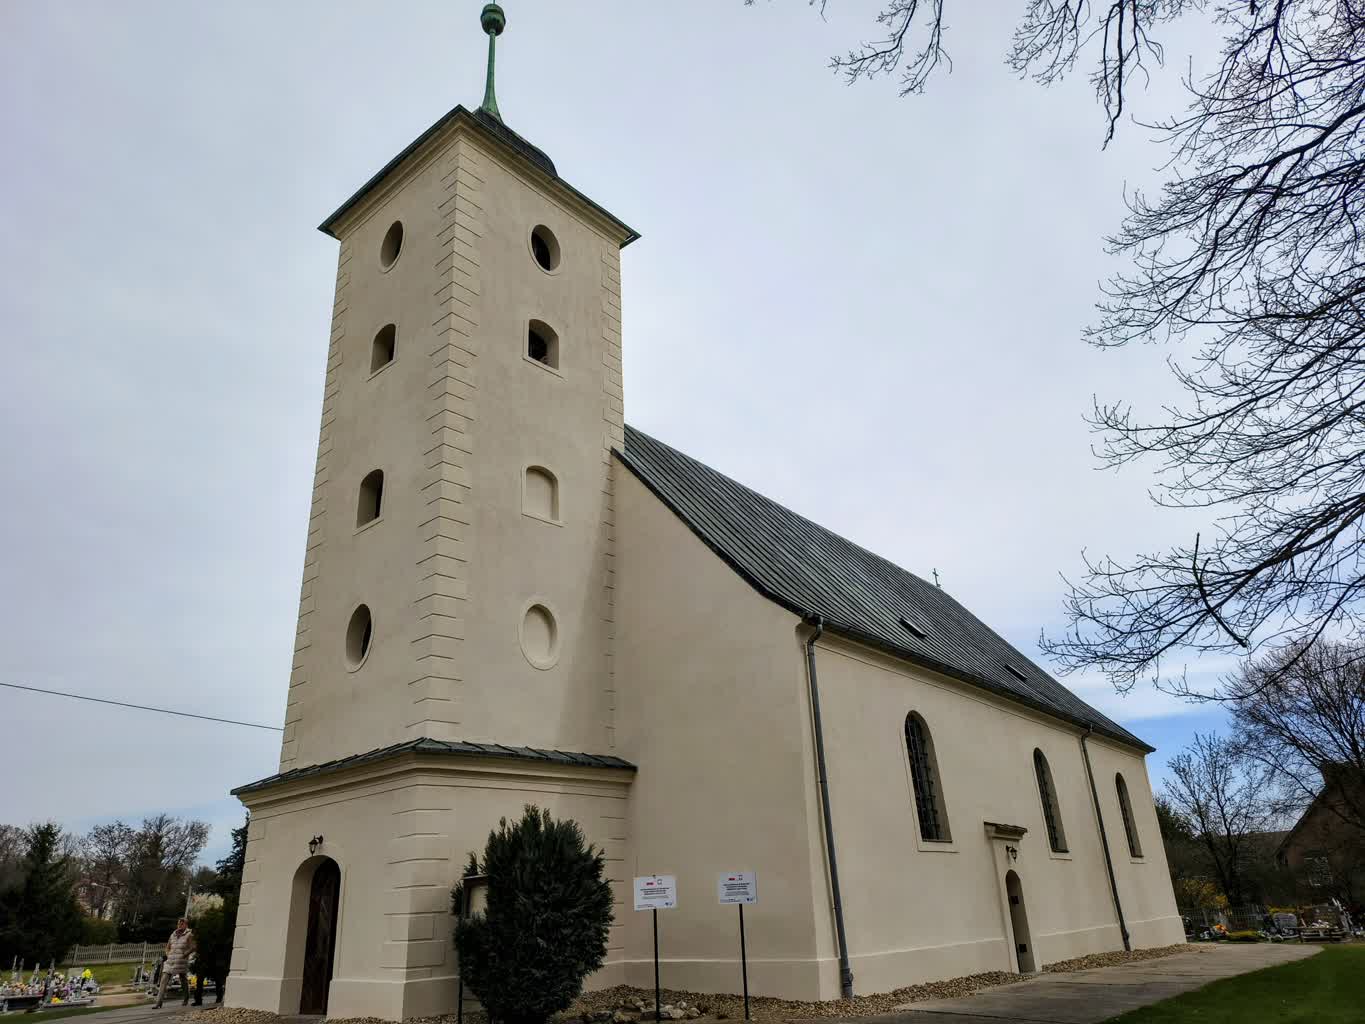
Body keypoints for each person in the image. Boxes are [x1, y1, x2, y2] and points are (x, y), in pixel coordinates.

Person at [154, 919, 196, 1009]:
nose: (180, 925)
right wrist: (168, 954)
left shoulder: (189, 934)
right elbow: (167, 947)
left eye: (182, 923)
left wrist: (185, 954)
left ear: (186, 925)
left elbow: (193, 947)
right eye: (178, 923)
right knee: (164, 979)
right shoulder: (173, 934)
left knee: (183, 979)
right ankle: (158, 1002)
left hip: (181, 961)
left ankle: (186, 998)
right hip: (170, 961)